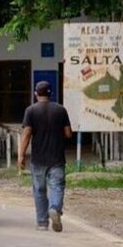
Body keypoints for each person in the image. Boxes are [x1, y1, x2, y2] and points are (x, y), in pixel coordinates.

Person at [18, 81, 72, 232]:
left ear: (36, 93)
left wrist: (21, 155)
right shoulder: (61, 110)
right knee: (57, 186)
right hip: (57, 158)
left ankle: (42, 223)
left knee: (39, 190)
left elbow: (27, 133)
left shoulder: (31, 111)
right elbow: (68, 133)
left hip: (38, 159)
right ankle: (54, 208)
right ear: (50, 93)